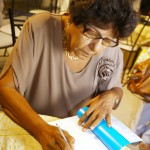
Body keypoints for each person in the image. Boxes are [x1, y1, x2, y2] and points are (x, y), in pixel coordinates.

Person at [0, 0, 139, 149]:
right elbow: (5, 89)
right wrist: (41, 129)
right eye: (91, 33)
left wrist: (113, 96)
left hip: (76, 135)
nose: (96, 48)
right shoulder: (39, 27)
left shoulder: (112, 49)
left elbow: (116, 89)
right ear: (72, 17)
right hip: (31, 123)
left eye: (107, 40)